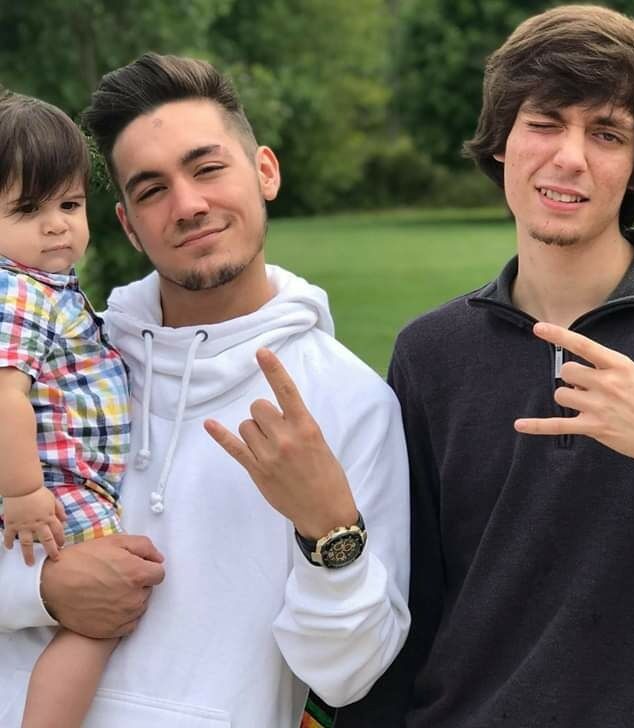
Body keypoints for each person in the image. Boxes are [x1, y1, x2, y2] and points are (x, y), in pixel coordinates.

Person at [336, 5, 634, 727]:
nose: (569, 157)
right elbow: (406, 606)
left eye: (607, 133)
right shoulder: (430, 353)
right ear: (503, 143)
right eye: (545, 122)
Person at [0, 53, 410, 727]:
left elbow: (349, 676)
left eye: (208, 168)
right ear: (128, 226)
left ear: (265, 172)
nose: (188, 205)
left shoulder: (349, 402)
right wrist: (39, 588)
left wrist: (329, 528)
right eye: (152, 190)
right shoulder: (64, 363)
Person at [0, 91, 132, 727]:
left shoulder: (46, 287)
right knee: (102, 615)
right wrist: (24, 494)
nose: (57, 224)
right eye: (29, 209)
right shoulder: (19, 292)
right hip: (55, 491)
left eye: (70, 204)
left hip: (62, 484)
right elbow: (4, 397)